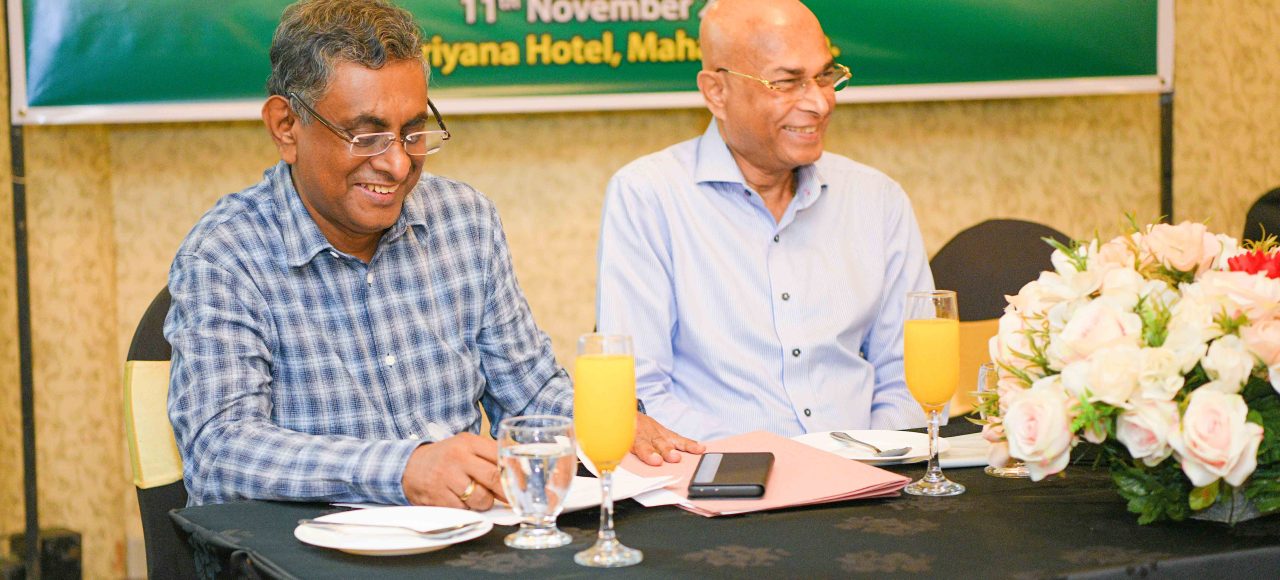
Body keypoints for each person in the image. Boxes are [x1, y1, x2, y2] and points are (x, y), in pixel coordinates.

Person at [167, 0, 700, 509]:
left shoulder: (465, 221)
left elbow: (530, 391)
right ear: (286, 127)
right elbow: (221, 450)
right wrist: (404, 470)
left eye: (412, 132)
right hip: (307, 549)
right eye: (366, 136)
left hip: (466, 539)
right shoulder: (225, 256)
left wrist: (607, 426)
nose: (398, 165)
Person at [595, 0, 934, 440]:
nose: (819, 103)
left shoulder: (877, 199)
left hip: (870, 473)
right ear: (717, 92)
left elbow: (911, 379)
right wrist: (773, 465)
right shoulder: (649, 197)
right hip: (720, 474)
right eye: (787, 83)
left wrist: (873, 460)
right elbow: (640, 396)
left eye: (825, 76)